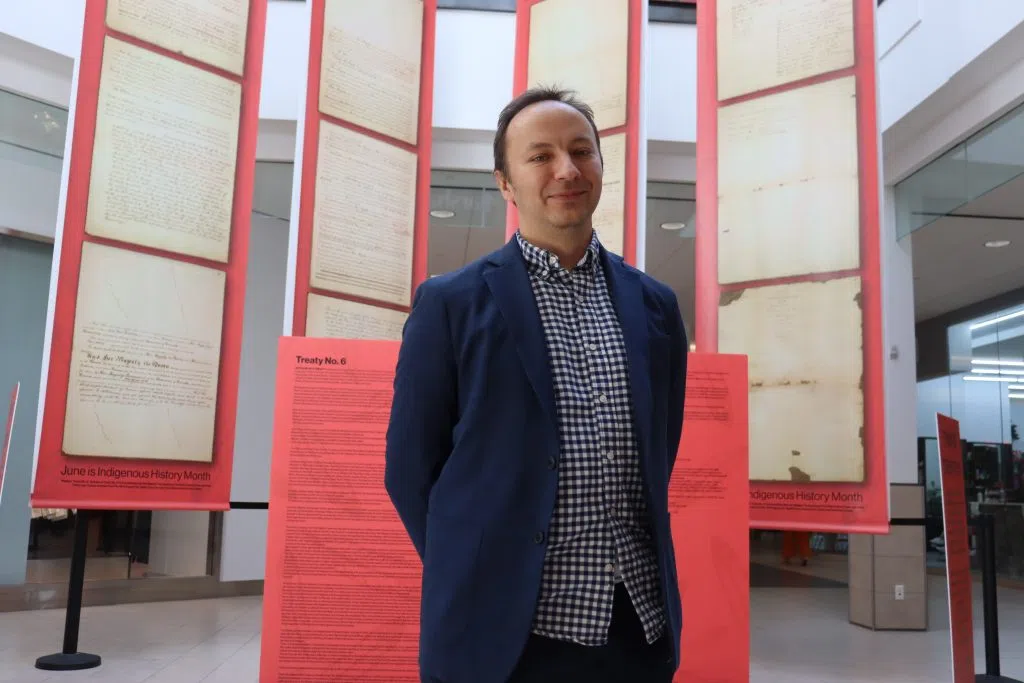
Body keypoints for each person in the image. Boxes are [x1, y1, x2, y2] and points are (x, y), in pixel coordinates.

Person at [384, 86, 689, 683]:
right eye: (540, 155)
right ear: (506, 182)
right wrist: (474, 569)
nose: (566, 170)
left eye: (582, 151)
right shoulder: (451, 305)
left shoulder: (655, 306)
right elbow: (409, 469)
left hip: (635, 627)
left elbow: (660, 452)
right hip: (504, 636)